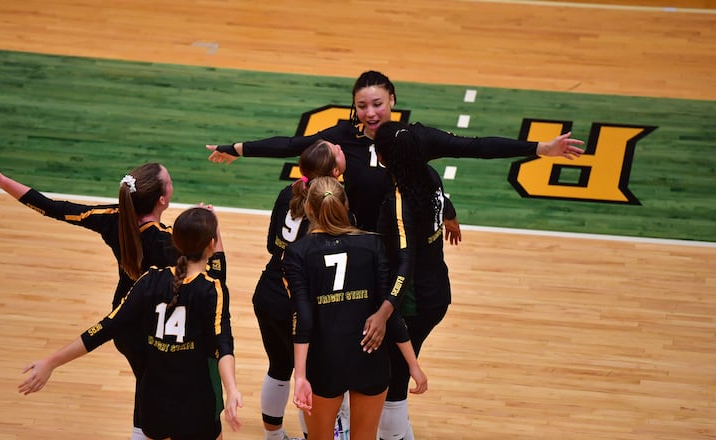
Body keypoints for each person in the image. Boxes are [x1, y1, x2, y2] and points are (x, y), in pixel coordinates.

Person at [206, 70, 583, 237]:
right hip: (352, 238)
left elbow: (476, 146)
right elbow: (291, 145)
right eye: (362, 105)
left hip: (400, 242)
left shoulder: (413, 139)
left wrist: (539, 148)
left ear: (392, 102)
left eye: (378, 104)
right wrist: (236, 149)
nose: (370, 113)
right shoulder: (342, 136)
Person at [0, 154, 177, 439]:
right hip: (151, 326)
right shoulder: (164, 239)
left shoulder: (112, 218)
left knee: (148, 384)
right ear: (161, 199)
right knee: (154, 388)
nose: (172, 186)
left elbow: (52, 208)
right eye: (170, 183)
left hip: (123, 322)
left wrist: (0, 179)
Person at [18, 206, 243, 440]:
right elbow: (223, 343)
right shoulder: (212, 289)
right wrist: (232, 389)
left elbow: (105, 328)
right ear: (210, 244)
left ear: (175, 241)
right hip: (196, 402)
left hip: (154, 401)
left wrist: (51, 362)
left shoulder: (149, 280)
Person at [282, 176, 428, 440]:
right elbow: (389, 312)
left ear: (309, 209)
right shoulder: (372, 244)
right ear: (345, 204)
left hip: (325, 360)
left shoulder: (298, 253)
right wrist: (413, 365)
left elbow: (303, 318)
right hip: (370, 356)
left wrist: (300, 376)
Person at [370, 121, 459, 440]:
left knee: (393, 381)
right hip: (437, 293)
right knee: (398, 371)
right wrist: (450, 214)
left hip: (414, 302)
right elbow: (443, 199)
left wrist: (384, 312)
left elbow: (405, 264)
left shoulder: (399, 201)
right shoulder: (429, 176)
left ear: (383, 157)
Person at [254, 139, 346, 440]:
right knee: (311, 378)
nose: (341, 147)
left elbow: (271, 244)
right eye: (337, 150)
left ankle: (274, 436)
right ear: (334, 170)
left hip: (268, 292)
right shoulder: (332, 201)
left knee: (278, 368)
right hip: (299, 301)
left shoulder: (287, 192)